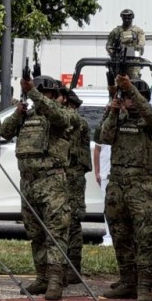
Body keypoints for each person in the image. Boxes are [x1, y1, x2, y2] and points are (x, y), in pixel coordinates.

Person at [0, 74, 73, 301]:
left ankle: (55, 280)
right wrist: (18, 112)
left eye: (43, 93)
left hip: (51, 181)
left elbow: (60, 117)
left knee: (55, 233)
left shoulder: (59, 115)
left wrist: (33, 92)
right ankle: (42, 277)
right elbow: (4, 132)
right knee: (36, 233)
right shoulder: (27, 116)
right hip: (29, 182)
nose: (39, 97)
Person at [99, 75, 152, 301]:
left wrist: (130, 90)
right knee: (120, 233)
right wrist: (113, 110)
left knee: (145, 236)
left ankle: (144, 285)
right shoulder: (118, 117)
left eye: (136, 97)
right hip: (118, 184)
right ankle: (127, 280)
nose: (132, 102)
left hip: (143, 184)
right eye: (127, 98)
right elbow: (103, 136)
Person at [62, 88, 92, 284]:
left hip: (73, 175)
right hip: (67, 174)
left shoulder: (76, 121)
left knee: (72, 222)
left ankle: (74, 266)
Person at [106, 9, 146, 79]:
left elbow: (141, 43)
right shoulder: (116, 31)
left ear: (132, 18)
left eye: (129, 18)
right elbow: (108, 45)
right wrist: (113, 53)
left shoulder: (138, 31)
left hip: (133, 62)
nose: (127, 20)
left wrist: (136, 48)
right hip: (119, 62)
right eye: (124, 18)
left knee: (134, 81)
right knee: (117, 82)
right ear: (122, 18)